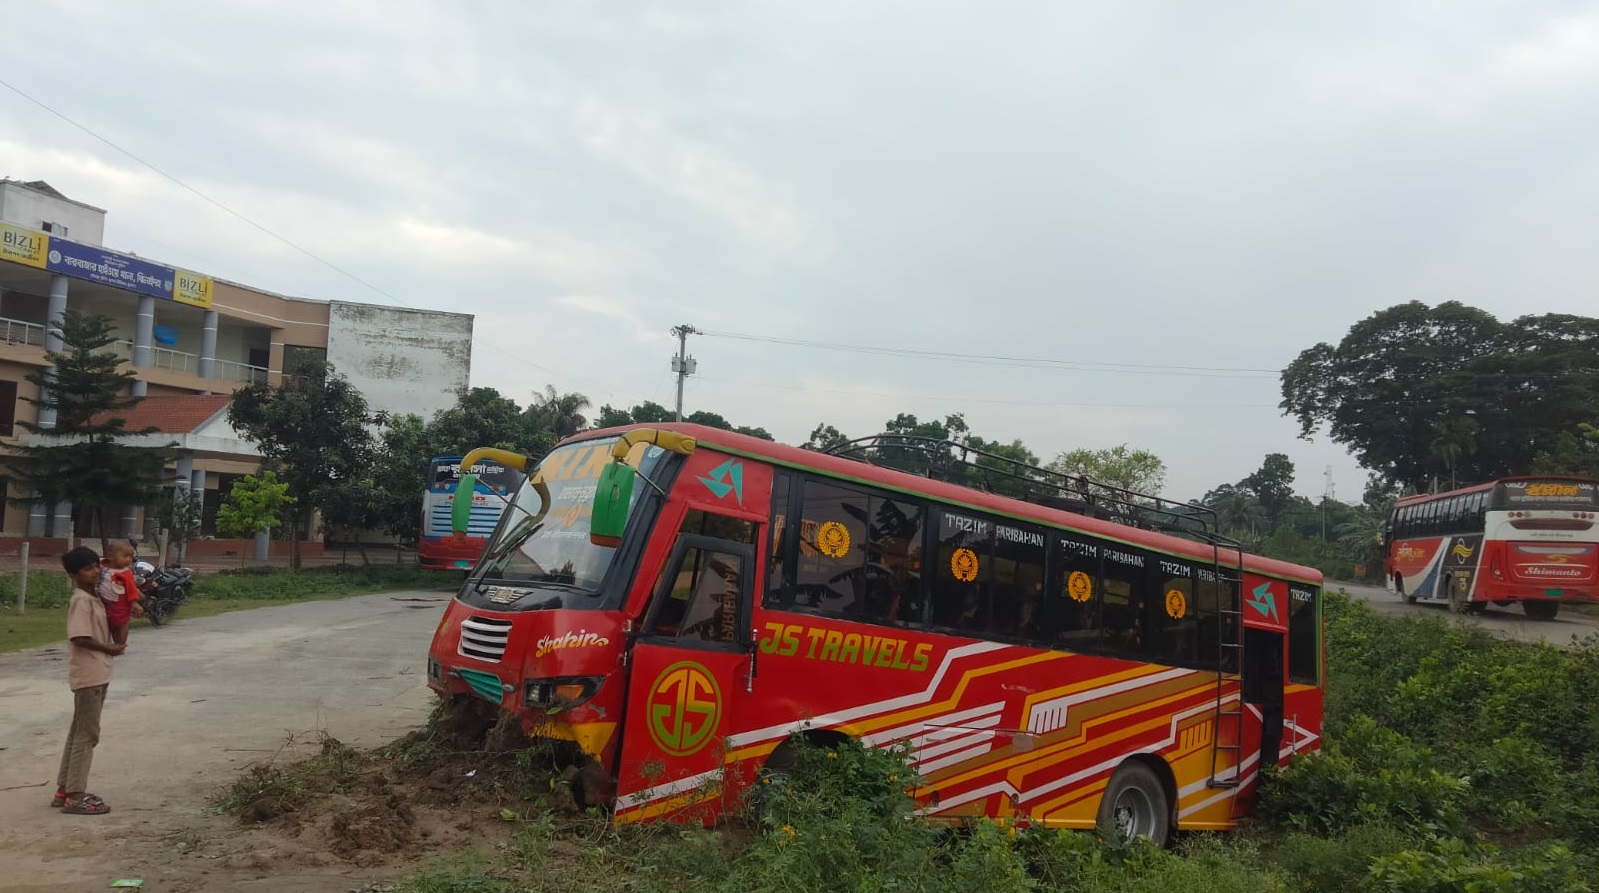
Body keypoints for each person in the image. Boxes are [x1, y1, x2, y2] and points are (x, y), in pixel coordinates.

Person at [52, 546, 124, 815]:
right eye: (88, 568)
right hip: (89, 675)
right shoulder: (81, 599)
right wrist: (109, 648)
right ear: (74, 575)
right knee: (87, 734)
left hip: (98, 672)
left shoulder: (94, 597)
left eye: (96, 565)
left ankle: (65, 788)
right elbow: (79, 637)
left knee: (78, 730)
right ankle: (75, 794)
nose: (95, 571)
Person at [99, 540, 143, 647]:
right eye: (125, 556)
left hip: (121, 604)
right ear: (111, 556)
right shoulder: (103, 567)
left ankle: (121, 644)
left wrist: (134, 603)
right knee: (112, 625)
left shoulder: (126, 572)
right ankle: (116, 643)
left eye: (130, 557)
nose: (129, 559)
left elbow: (131, 589)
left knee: (122, 624)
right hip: (106, 603)